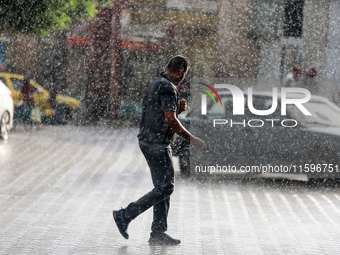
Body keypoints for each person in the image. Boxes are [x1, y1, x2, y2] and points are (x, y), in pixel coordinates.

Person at [112, 56, 205, 246]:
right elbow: (170, 121)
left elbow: (162, 115)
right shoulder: (168, 87)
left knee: (162, 188)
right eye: (184, 74)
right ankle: (126, 214)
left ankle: (158, 233)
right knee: (166, 187)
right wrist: (192, 139)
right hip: (157, 144)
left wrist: (176, 109)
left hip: (148, 141)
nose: (183, 77)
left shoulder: (156, 83)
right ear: (181, 71)